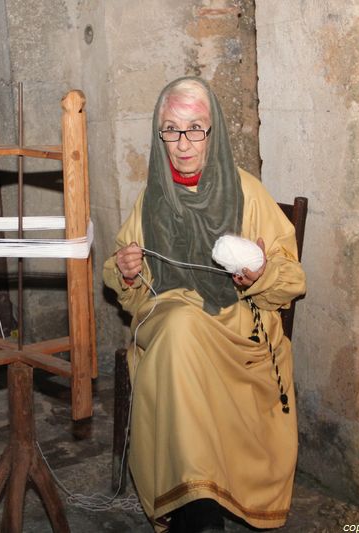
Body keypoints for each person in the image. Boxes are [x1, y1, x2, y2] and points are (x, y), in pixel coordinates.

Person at [103, 76, 306, 532]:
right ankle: (198, 507)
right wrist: (128, 269)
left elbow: (292, 278)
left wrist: (259, 276)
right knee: (180, 329)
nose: (183, 143)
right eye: (171, 129)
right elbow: (130, 292)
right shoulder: (151, 200)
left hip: (239, 323)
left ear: (214, 132)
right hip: (167, 317)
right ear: (159, 135)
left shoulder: (247, 193)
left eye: (196, 128)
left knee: (184, 335)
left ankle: (197, 500)